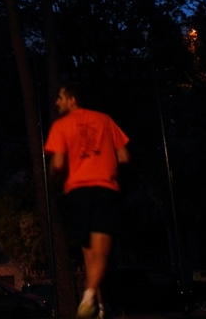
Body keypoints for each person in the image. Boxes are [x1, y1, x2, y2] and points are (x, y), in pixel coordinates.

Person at [45, 82, 130, 319]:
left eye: (60, 97)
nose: (57, 102)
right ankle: (93, 300)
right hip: (105, 189)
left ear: (72, 100)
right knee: (102, 254)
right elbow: (124, 156)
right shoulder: (105, 120)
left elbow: (59, 164)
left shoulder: (61, 126)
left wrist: (53, 174)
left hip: (77, 193)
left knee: (89, 254)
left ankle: (95, 304)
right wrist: (104, 162)